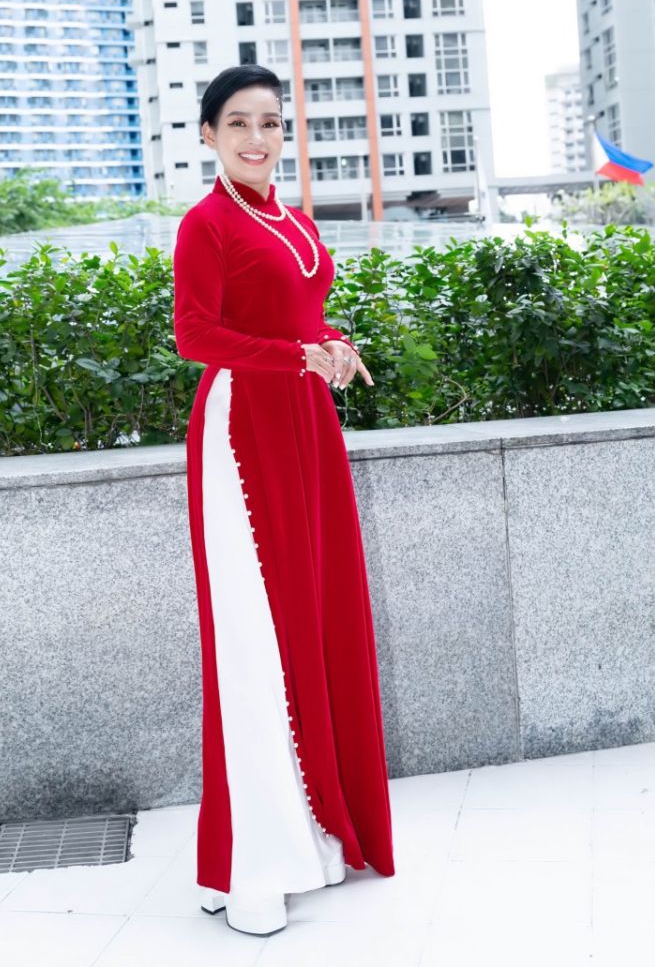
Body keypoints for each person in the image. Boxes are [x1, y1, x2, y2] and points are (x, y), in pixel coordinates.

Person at [172, 64, 395, 937]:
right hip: (242, 431)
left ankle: (310, 833)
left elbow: (302, 313)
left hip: (304, 425)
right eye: (238, 123)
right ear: (208, 134)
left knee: (309, 622)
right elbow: (196, 334)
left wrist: (330, 344)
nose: (257, 138)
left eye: (269, 122)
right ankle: (249, 863)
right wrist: (294, 357)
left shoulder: (292, 219)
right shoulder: (206, 223)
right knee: (254, 638)